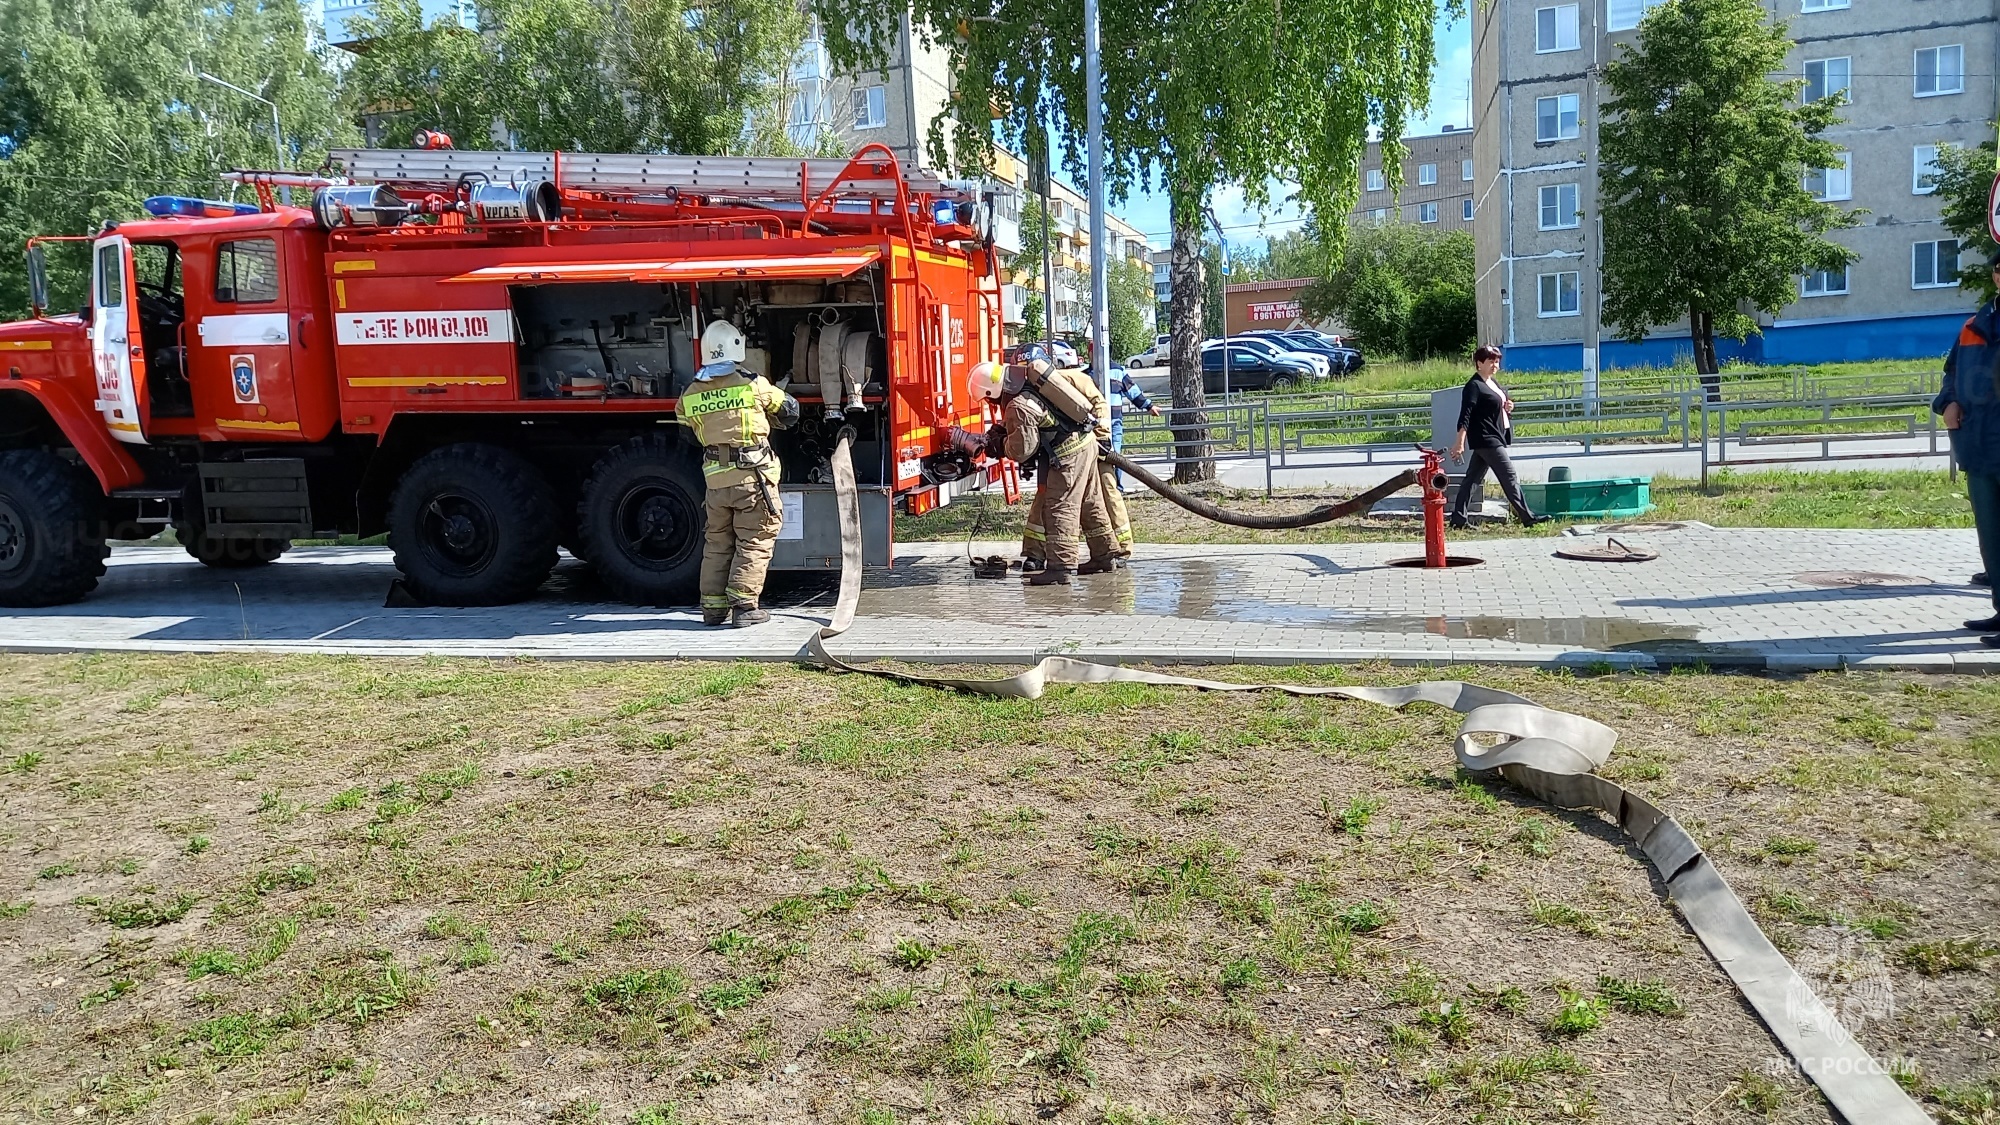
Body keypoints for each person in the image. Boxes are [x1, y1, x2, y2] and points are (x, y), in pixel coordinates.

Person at [679, 321, 800, 627]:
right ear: (736, 348)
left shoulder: (690, 393)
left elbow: (689, 435)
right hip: (752, 480)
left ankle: (713, 609)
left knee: (718, 543)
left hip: (716, 485)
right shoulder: (752, 384)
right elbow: (789, 410)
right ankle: (745, 607)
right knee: (755, 539)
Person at [986, 350, 1114, 585]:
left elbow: (1023, 448)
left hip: (1068, 456)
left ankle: (1060, 568)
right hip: (1086, 444)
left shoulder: (1017, 404)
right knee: (1089, 502)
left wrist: (1000, 445)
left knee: (1060, 507)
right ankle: (1104, 556)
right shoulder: (1031, 385)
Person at [1933, 266, 2000, 641]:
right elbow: (1951, 372)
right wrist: (1948, 402)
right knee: (1992, 536)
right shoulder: (1974, 325)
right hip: (1978, 446)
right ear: (1995, 276)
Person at [1447, 343, 1548, 529]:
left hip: (1494, 436)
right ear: (1479, 363)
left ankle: (1458, 519)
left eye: (1497, 361)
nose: (1495, 365)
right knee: (1509, 476)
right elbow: (1465, 415)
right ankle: (1528, 517)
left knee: (1472, 479)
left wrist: (1508, 406)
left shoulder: (1493, 383)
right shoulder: (1474, 386)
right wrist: (1459, 442)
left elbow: (1497, 405)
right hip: (1487, 439)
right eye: (1490, 361)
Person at [1108, 364, 1161, 491]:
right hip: (1096, 424)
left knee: (1116, 455)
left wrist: (1149, 406)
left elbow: (1133, 391)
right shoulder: (1087, 373)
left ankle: (1117, 490)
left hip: (1114, 421)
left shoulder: (1117, 371)